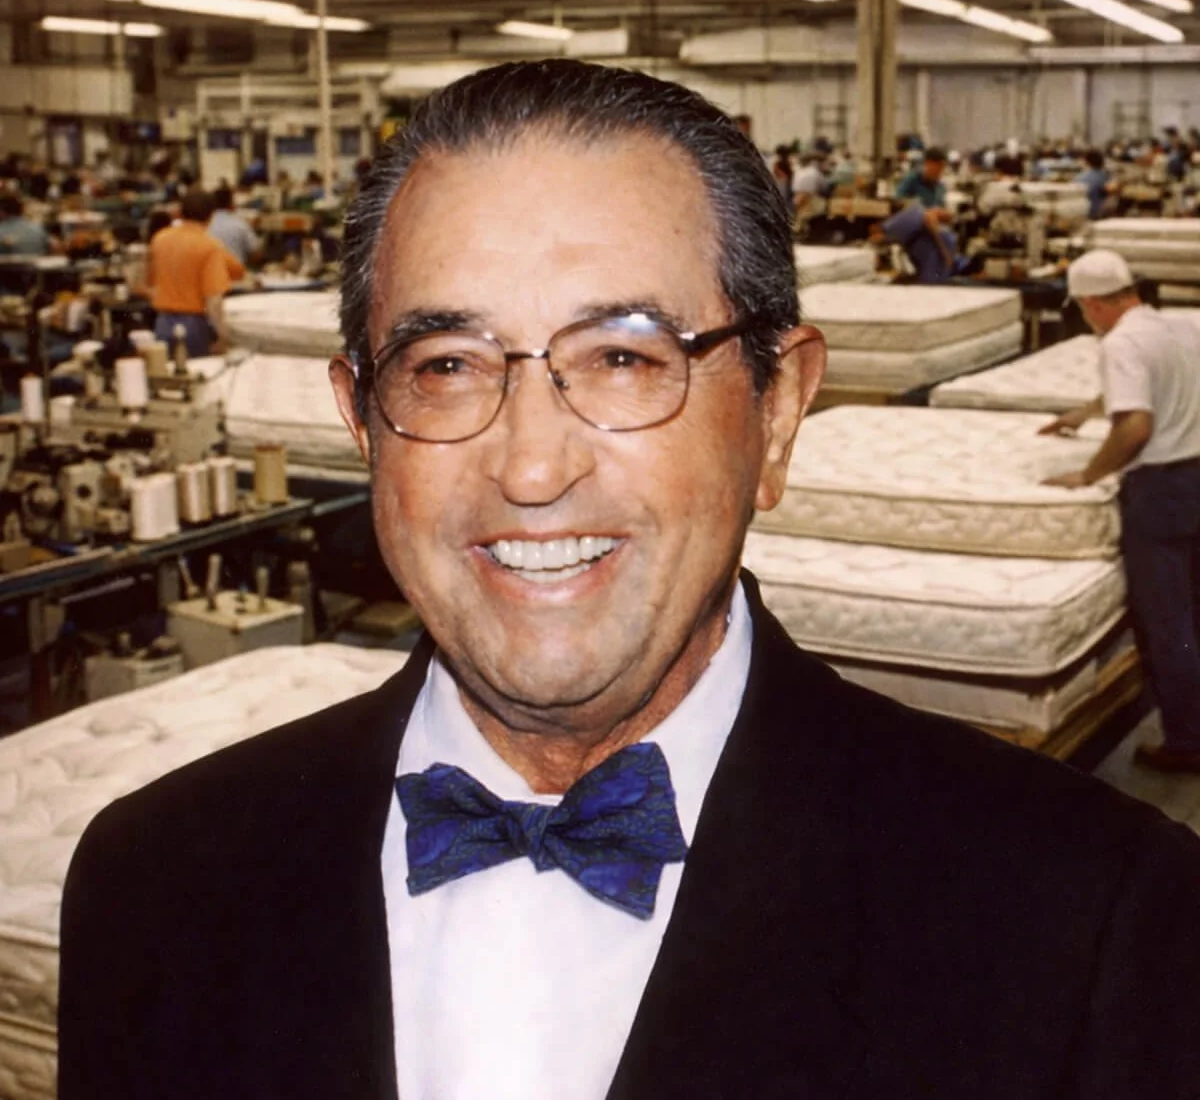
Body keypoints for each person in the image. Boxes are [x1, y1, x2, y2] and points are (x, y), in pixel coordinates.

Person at [60, 61, 1200, 1099]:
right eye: (447, 367)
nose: (533, 465)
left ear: (779, 412)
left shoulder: (1085, 916)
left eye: (623, 357)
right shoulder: (157, 882)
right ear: (363, 423)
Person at [1042, 249, 1200, 774]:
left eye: (1083, 311)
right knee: (1195, 613)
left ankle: (1185, 743)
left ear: (1092, 304)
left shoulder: (1121, 343)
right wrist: (1081, 413)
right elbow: (1146, 385)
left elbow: (1135, 426)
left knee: (1167, 622)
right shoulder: (1177, 325)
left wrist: (1087, 475)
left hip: (1163, 489)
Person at [143, 188, 244, 357]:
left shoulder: (159, 239)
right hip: (193, 326)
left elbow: (149, 284)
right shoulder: (209, 246)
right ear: (210, 216)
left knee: (166, 376)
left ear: (179, 213)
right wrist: (223, 336)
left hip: (162, 323)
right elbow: (213, 301)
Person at [207, 185, 261, 266]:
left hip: (211, 273)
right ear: (231, 204)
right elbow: (256, 254)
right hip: (235, 274)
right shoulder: (240, 224)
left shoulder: (204, 225)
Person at [894, 144, 950, 216]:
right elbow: (898, 199)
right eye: (938, 165)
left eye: (943, 167)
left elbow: (941, 208)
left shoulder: (940, 187)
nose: (941, 170)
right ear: (928, 163)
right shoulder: (912, 180)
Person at [0, 191, 50, 256]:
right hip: (36, 264)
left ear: (2, 212)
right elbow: (48, 247)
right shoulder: (37, 228)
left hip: (9, 265)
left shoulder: (2, 230)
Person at [1075, 148, 1112, 221]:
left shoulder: (1078, 177)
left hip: (1081, 213)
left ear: (1086, 161)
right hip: (1096, 213)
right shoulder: (1104, 176)